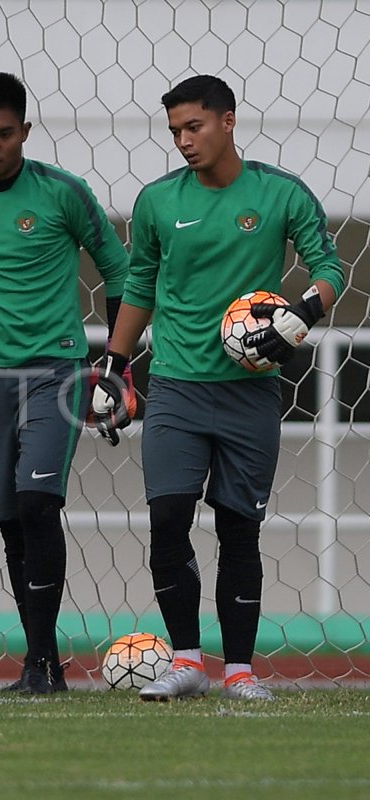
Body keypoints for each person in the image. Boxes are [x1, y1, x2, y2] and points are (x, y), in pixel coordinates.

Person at [93, 75, 345, 701]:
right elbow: (141, 287)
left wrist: (301, 315)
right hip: (176, 385)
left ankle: (238, 671)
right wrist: (113, 365)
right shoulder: (156, 202)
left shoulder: (282, 194)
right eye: (175, 130)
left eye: (194, 127)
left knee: (239, 529)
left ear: (228, 121)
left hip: (252, 390)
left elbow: (330, 268)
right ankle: (186, 663)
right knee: (168, 518)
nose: (183, 140)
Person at [0, 72, 130, 694]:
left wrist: (119, 369)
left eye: (4, 134)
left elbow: (122, 274)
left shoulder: (63, 194)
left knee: (38, 503)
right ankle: (42, 664)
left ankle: (40, 664)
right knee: (10, 519)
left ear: (25, 130)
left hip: (59, 371)